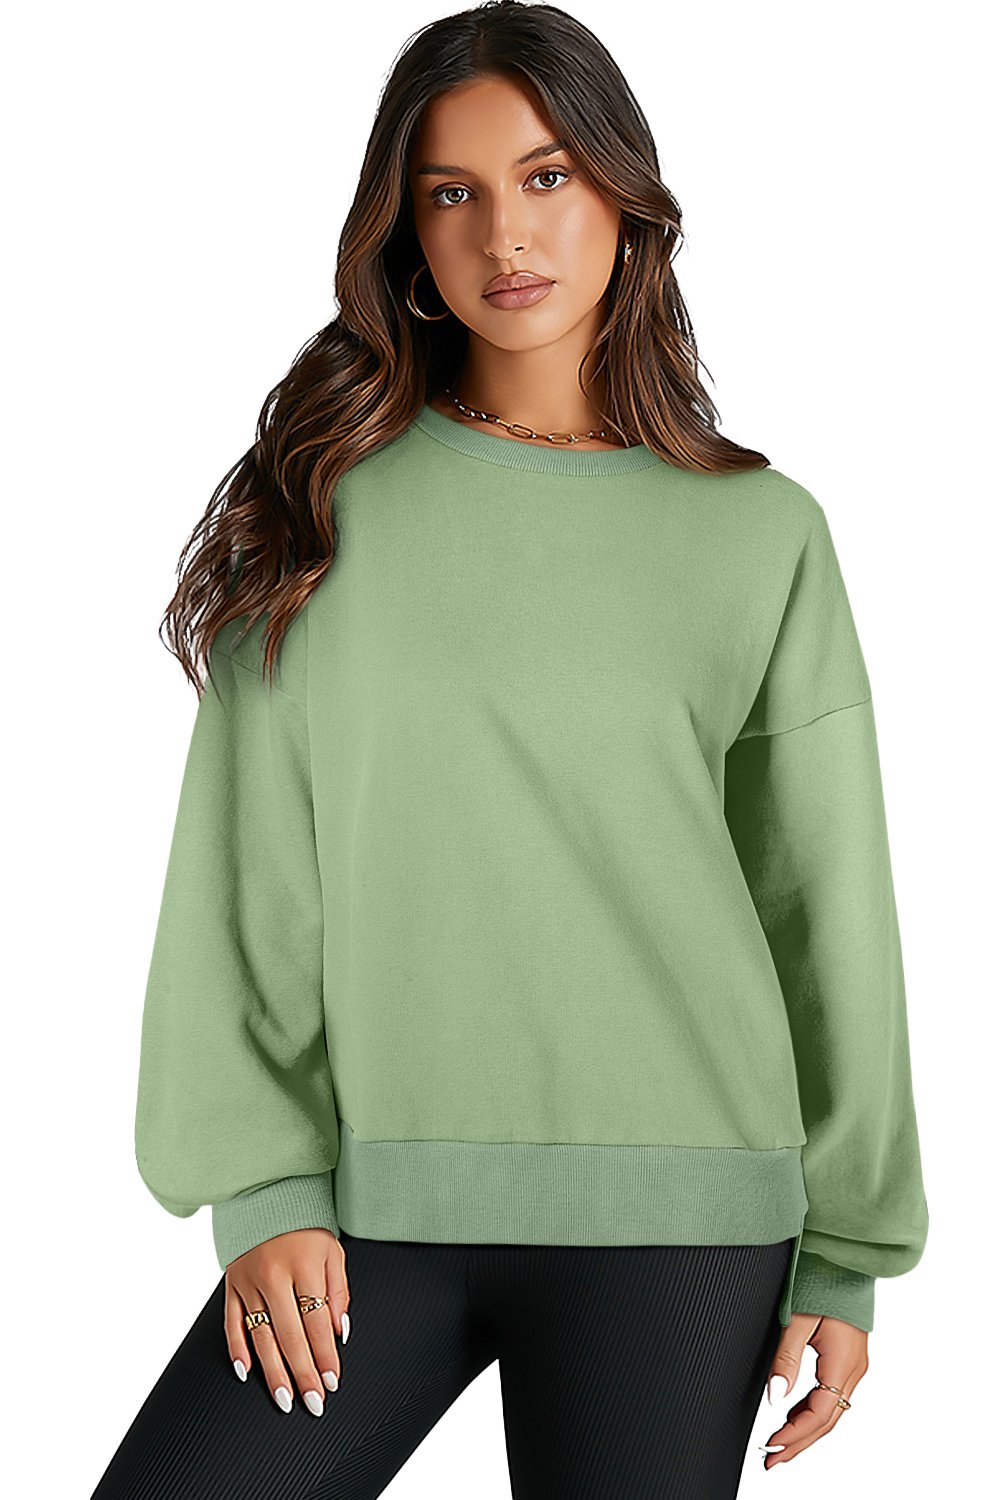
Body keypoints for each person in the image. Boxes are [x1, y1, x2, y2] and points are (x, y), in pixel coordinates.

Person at [92, 2, 929, 1495]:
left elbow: (826, 905)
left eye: (546, 177)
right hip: (368, 1208)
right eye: (451, 193)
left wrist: (849, 1250)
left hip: (687, 1221)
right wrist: (261, 1183)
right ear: (405, 231)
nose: (505, 234)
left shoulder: (761, 532)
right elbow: (244, 872)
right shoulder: (322, 505)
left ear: (625, 193)